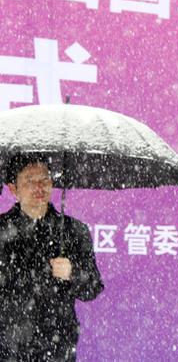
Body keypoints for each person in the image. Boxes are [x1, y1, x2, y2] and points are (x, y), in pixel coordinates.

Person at [0, 154, 104, 361]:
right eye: (29, 181)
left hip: (57, 344)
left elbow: (93, 287)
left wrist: (72, 273)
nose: (39, 187)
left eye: (45, 179)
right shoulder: (2, 230)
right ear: (13, 189)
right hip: (7, 345)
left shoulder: (73, 230)